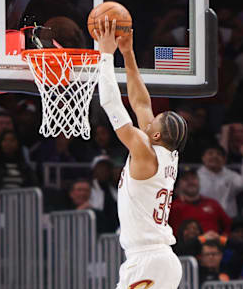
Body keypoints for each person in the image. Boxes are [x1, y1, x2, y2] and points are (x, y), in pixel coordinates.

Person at [94, 18, 186, 288]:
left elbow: (111, 103)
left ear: (155, 135)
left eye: (153, 120)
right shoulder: (165, 152)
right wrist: (128, 53)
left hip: (149, 260)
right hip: (155, 260)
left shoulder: (146, 153)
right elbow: (140, 101)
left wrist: (106, 55)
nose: (148, 117)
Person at [169, 167, 232, 236]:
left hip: (215, 244)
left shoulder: (212, 203)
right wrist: (201, 240)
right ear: (178, 184)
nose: (191, 182)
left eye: (193, 178)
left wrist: (222, 240)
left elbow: (229, 227)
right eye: (185, 179)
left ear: (199, 181)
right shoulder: (173, 207)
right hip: (187, 245)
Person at [198, 144, 243, 218]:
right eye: (210, 153)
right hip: (203, 217)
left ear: (224, 160)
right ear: (203, 158)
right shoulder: (196, 177)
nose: (215, 156)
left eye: (219, 154)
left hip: (228, 217)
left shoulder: (230, 175)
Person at [0, 130, 38, 199]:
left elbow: (33, 185)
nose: (8, 143)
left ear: (18, 144)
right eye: (4, 140)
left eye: (12, 140)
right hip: (0, 202)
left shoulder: (25, 167)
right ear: (0, 144)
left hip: (22, 201)